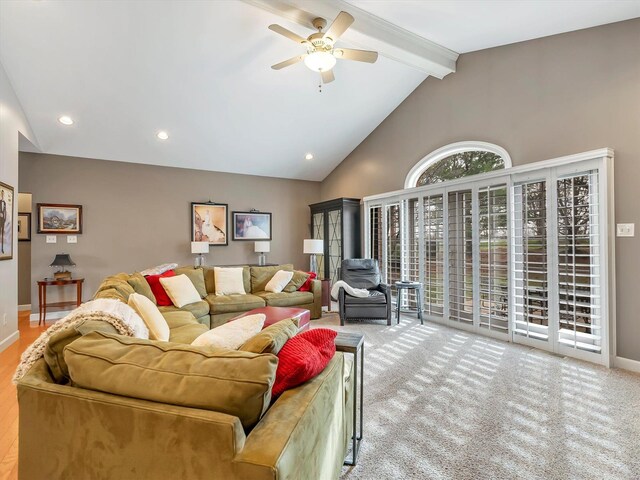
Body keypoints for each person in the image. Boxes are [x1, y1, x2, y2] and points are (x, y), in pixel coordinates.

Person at [0, 189, 6, 254]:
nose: (2, 195)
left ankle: (2, 248)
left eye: (3, 194)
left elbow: (5, 211)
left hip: (3, 220)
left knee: (2, 234)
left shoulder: (4, 203)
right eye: (1, 194)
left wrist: (4, 218)